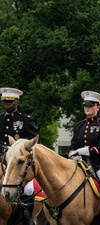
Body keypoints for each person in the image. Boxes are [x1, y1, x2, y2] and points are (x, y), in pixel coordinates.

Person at [68, 91, 100, 225]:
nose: (87, 108)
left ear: (98, 107)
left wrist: (82, 151)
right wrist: (72, 153)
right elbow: (72, 145)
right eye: (85, 106)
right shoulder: (78, 125)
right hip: (80, 163)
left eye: (91, 105)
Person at [0, 87, 38, 225]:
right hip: (1, 161)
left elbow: (33, 142)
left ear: (16, 101)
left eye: (10, 101)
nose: (7, 104)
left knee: (29, 189)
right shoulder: (0, 119)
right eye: (5, 101)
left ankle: (27, 217)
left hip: (17, 162)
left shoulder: (25, 120)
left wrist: (17, 149)